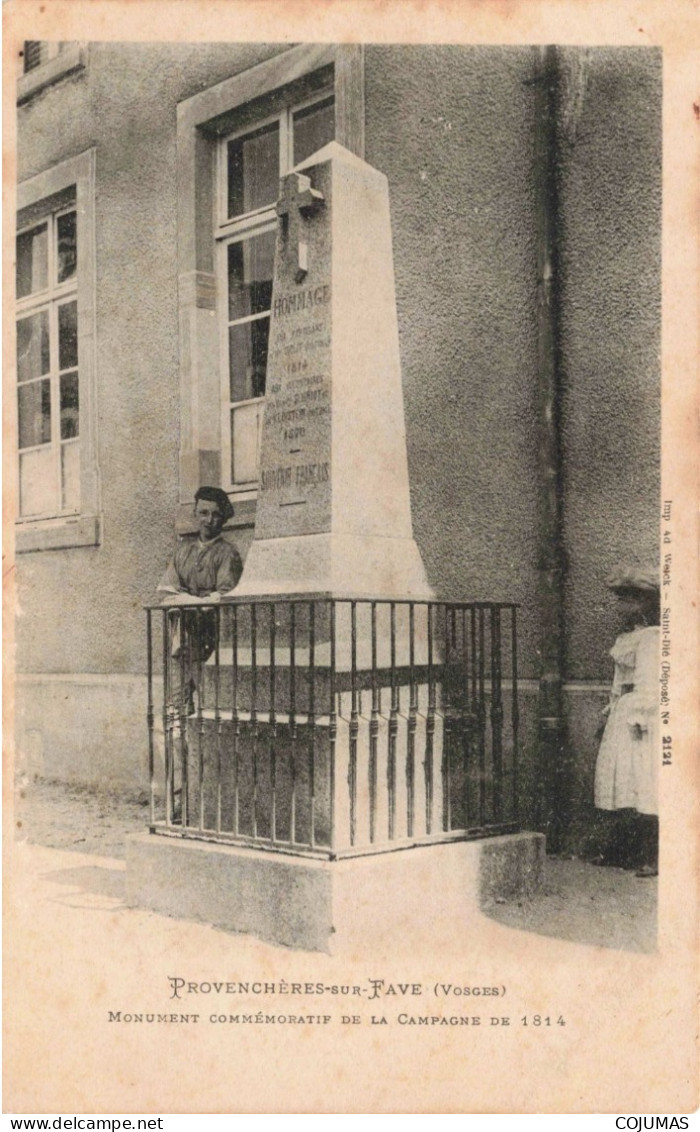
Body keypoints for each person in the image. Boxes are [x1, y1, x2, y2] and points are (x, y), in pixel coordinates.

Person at [157, 487, 243, 821]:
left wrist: (191, 600)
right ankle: (178, 802)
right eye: (203, 512)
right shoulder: (183, 550)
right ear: (196, 514)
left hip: (211, 649)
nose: (208, 520)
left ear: (224, 517)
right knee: (175, 721)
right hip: (182, 648)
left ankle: (209, 801)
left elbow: (222, 598)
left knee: (209, 722)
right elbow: (166, 588)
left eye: (215, 514)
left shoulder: (228, 555)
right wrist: (191, 600)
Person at [593, 566, 660, 877]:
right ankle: (623, 849)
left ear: (645, 603)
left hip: (640, 717)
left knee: (642, 779)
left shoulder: (652, 637)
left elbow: (648, 681)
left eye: (628, 600)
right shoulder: (627, 637)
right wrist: (609, 712)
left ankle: (652, 855)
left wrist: (639, 717)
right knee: (620, 779)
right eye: (620, 600)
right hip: (623, 713)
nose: (621, 607)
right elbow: (619, 682)